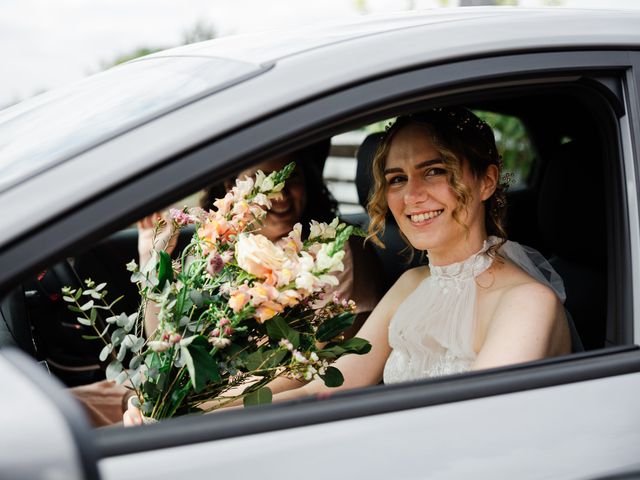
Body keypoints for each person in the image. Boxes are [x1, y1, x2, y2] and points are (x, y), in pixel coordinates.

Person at [124, 106, 571, 424]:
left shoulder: (527, 302)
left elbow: (474, 431)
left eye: (434, 171)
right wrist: (187, 414)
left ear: (486, 180)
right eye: (396, 179)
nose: (411, 195)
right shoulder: (413, 283)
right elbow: (327, 387)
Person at [74, 144, 385, 427]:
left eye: (293, 179)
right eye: (265, 178)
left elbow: (311, 363)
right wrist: (152, 257)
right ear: (231, 186)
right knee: (60, 412)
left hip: (228, 404)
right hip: (168, 388)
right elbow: (165, 344)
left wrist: (198, 409)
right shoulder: (218, 248)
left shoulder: (326, 253)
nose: (280, 192)